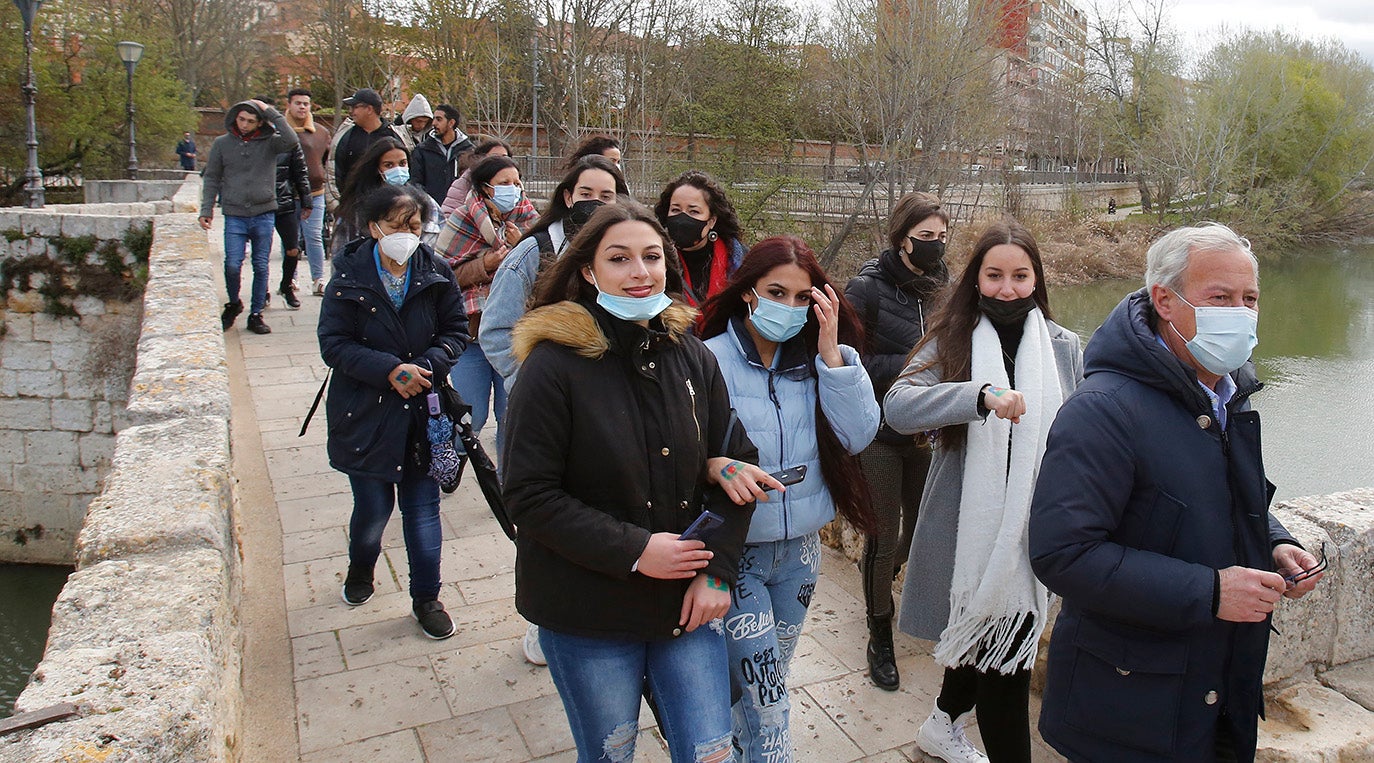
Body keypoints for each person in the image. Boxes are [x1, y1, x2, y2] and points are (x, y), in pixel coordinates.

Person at [1028, 223, 1324, 763]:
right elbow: (1061, 553)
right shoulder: (1104, 410)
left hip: (1216, 693)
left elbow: (1224, 495)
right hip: (1129, 708)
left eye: (1249, 298)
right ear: (1164, 300)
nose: (1240, 312)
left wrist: (1273, 542)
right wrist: (1210, 592)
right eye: (1220, 298)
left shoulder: (1227, 392)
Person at [501, 201, 756, 763]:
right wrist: (637, 550)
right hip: (590, 612)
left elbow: (735, 461)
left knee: (714, 751)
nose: (641, 272)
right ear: (589, 272)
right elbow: (528, 494)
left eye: (652, 257)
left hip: (684, 606)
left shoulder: (689, 354)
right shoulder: (553, 366)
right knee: (611, 753)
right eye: (619, 259)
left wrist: (717, 571)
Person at [884, 220, 1084, 763]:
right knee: (1006, 669)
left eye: (1021, 276)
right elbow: (898, 406)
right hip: (966, 526)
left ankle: (943, 722)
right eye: (994, 275)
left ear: (1037, 280)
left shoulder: (1065, 348)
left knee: (986, 641)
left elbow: (1083, 432)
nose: (1007, 288)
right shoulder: (952, 338)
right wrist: (979, 395)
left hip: (1033, 526)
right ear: (975, 279)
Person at [699, 236, 879, 762]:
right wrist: (715, 465)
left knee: (765, 678)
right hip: (736, 554)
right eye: (776, 292)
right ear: (748, 292)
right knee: (769, 697)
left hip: (800, 554)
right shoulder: (707, 360)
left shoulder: (820, 363)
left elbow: (859, 435)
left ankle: (727, 746)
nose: (790, 307)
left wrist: (830, 353)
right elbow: (677, 451)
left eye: (803, 298)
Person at [318, 183, 468, 641]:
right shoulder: (348, 278)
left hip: (423, 411)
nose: (408, 235)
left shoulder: (436, 271)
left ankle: (427, 597)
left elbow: (455, 332)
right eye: (398, 226)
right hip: (364, 412)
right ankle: (361, 566)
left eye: (416, 227)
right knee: (373, 508)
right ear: (373, 227)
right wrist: (388, 370)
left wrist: (423, 366)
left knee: (422, 512)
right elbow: (334, 344)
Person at [843, 191, 950, 690]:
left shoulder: (942, 285)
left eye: (941, 238)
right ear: (900, 238)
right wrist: (915, 368)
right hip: (880, 432)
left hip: (927, 433)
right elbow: (847, 362)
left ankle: (878, 585)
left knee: (921, 529)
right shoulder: (865, 289)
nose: (935, 246)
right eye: (925, 238)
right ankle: (878, 629)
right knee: (883, 535)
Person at [480, 155, 628, 391]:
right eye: (586, 194)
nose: (595, 203)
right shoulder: (534, 252)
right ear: (569, 197)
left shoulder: (631, 256)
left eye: (606, 197)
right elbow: (496, 332)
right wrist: (536, 383)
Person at [434, 155, 537, 455]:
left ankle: (508, 484)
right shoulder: (462, 221)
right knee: (471, 414)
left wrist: (523, 245)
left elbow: (545, 271)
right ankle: (453, 459)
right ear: (485, 188)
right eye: (504, 183)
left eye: (517, 183)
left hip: (516, 334)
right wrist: (485, 264)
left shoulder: (529, 222)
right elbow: (443, 276)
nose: (513, 190)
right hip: (472, 335)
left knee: (512, 416)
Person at [199, 99, 300, 336]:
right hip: (234, 213)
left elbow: (291, 140)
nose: (244, 125)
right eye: (241, 119)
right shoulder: (222, 144)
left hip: (263, 211)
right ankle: (234, 302)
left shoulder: (270, 143)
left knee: (260, 265)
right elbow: (212, 177)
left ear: (259, 123)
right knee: (233, 264)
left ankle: (256, 313)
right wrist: (206, 210)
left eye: (251, 121)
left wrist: (271, 112)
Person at [653, 170, 747, 309]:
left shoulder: (740, 262)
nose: (682, 220)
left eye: (694, 211)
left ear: (711, 221)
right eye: (675, 210)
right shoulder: (654, 259)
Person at [333, 138, 442, 257]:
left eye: (402, 163)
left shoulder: (425, 202)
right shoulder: (356, 207)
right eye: (389, 165)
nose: (397, 170)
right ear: (376, 169)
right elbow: (341, 254)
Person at [258, 95, 312, 311]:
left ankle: (286, 285)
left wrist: (306, 199)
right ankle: (261, 292)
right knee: (261, 254)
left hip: (284, 201)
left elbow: (300, 171)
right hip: (258, 205)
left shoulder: (286, 141)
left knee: (292, 248)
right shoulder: (249, 142)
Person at [284, 88, 332, 297]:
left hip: (315, 192)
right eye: (298, 103)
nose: (302, 107)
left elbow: (326, 161)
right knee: (290, 239)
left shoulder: (321, 132)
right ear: (289, 105)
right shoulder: (279, 131)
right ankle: (291, 279)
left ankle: (318, 279)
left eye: (306, 103)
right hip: (286, 194)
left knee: (313, 236)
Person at [329, 88, 407, 202]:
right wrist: (338, 206)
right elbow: (334, 173)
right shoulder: (345, 136)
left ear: (369, 109)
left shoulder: (394, 136)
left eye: (355, 107)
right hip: (352, 207)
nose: (351, 112)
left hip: (388, 206)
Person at [411, 104, 474, 205]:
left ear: (451, 123)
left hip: (458, 210)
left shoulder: (468, 151)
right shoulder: (422, 150)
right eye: (434, 119)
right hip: (430, 209)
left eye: (439, 119)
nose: (434, 123)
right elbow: (415, 182)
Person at [440, 137, 510, 215]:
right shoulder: (466, 182)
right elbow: (449, 213)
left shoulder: (514, 184)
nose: (500, 162)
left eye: (505, 157)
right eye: (495, 156)